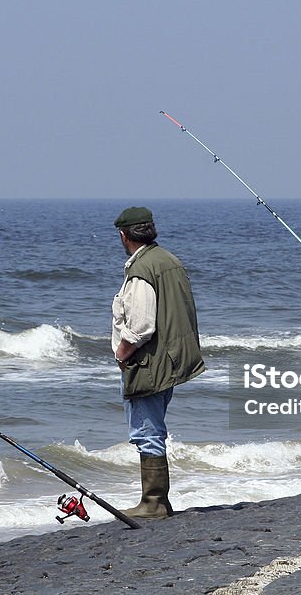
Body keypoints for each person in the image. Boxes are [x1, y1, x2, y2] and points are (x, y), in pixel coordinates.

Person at [111, 206, 205, 518]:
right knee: (153, 428)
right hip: (171, 357)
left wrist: (121, 354)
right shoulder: (168, 260)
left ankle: (153, 503)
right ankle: (158, 502)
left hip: (150, 361)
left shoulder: (143, 270)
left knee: (146, 430)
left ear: (124, 236)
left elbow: (140, 326)